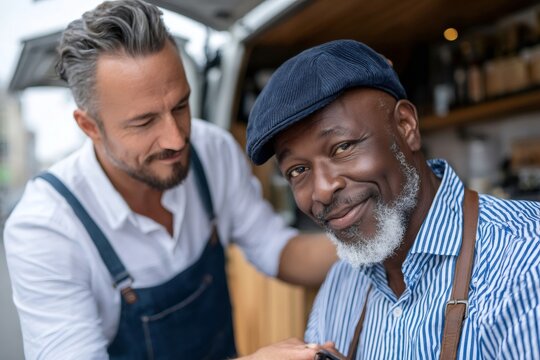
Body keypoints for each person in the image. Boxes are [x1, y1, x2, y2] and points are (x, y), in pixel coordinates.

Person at [3, 1, 338, 359]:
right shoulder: (45, 228)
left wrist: (376, 244)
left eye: (181, 106)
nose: (176, 139)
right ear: (89, 127)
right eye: (144, 122)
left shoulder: (212, 151)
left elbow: (279, 250)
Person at [246, 39, 540, 359]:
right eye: (298, 170)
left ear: (406, 126)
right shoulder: (339, 285)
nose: (323, 189)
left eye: (343, 147)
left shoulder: (525, 261)